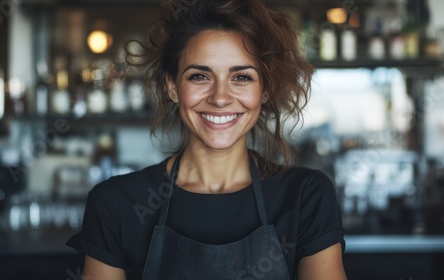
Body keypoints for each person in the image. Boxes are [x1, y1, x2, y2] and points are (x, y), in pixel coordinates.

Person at [66, 0, 347, 279]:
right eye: (200, 76)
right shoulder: (116, 204)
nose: (220, 97)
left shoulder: (306, 196)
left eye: (241, 77)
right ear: (173, 86)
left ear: (265, 89)